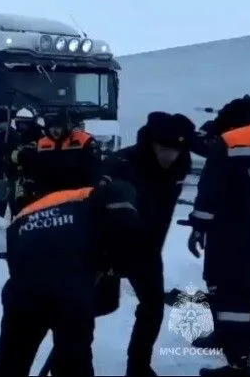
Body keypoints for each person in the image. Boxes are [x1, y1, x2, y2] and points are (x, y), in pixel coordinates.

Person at [0, 176, 141, 377]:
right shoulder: (110, 201)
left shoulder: (32, 212)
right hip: (70, 294)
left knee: (10, 362)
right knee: (73, 364)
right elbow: (127, 248)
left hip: (22, 291)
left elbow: (16, 263)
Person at [102, 111, 195, 376]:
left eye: (176, 149)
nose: (170, 155)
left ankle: (138, 366)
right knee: (86, 306)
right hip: (108, 245)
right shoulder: (121, 163)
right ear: (151, 142)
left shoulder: (181, 164)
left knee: (152, 307)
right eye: (164, 148)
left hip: (148, 248)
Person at [186, 93, 250, 377]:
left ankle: (238, 366)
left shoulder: (233, 140)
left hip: (236, 238)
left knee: (234, 302)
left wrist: (199, 225)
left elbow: (211, 188)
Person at [11, 108, 101, 211]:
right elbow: (34, 169)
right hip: (49, 197)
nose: (54, 131)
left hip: (78, 196)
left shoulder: (83, 141)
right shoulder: (42, 144)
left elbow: (96, 167)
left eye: (58, 127)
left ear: (66, 126)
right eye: (51, 127)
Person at [0, 108, 20, 217]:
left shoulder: (13, 136)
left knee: (14, 209)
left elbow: (15, 156)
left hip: (10, 177)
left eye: (0, 123)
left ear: (7, 122)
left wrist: (6, 150)